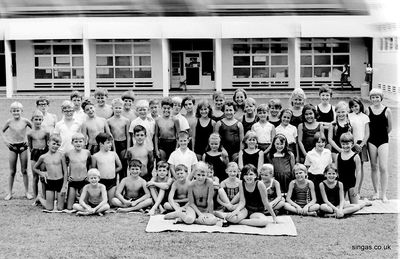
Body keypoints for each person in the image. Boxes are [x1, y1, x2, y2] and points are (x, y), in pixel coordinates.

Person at [2, 102, 33, 200]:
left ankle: (27, 192)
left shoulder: (25, 121)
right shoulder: (9, 122)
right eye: (14, 110)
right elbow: (2, 131)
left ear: (22, 111)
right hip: (13, 147)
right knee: (12, 171)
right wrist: (6, 141)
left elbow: (34, 129)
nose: (16, 112)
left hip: (23, 146)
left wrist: (29, 141)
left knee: (24, 170)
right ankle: (9, 193)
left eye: (18, 110)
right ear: (11, 111)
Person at [366, 88, 391, 202]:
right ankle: (376, 192)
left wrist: (383, 135)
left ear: (381, 98)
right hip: (371, 140)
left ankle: (384, 194)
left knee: (383, 167)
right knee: (374, 166)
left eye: (377, 97)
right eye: (373, 97)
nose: (375, 99)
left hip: (383, 140)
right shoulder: (368, 110)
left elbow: (390, 127)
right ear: (370, 99)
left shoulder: (387, 110)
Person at [33, 133, 68, 211]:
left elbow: (65, 172)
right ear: (48, 143)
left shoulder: (61, 155)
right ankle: (40, 199)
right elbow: (34, 168)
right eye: (54, 143)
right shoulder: (43, 157)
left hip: (60, 181)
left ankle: (61, 200)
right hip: (49, 182)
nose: (55, 146)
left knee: (60, 208)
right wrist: (41, 173)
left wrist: (64, 186)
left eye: (58, 144)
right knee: (49, 208)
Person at [91, 133, 122, 202]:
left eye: (111, 142)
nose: (110, 144)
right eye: (108, 142)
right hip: (101, 182)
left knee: (112, 203)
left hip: (112, 181)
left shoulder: (113, 154)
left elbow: (120, 166)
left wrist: (113, 171)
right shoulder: (95, 156)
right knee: (101, 202)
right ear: (101, 144)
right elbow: (93, 170)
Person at [348, 97, 370, 194]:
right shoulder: (348, 116)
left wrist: (361, 145)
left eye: (356, 106)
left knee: (359, 167)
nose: (354, 108)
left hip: (361, 144)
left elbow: (367, 133)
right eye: (352, 107)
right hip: (351, 143)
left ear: (360, 105)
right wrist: (353, 144)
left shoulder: (365, 117)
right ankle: (350, 190)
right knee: (350, 167)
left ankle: (358, 191)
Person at [64, 133, 91, 211]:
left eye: (80, 141)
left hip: (84, 180)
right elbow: (65, 166)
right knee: (69, 207)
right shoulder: (68, 153)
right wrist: (68, 177)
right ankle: (74, 199)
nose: (78, 143)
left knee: (85, 204)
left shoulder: (87, 152)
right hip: (73, 181)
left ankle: (79, 199)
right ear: (72, 143)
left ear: (84, 142)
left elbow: (89, 165)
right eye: (76, 141)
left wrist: (88, 176)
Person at [304, 132, 332, 204]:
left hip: (325, 177)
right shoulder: (310, 154)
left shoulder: (328, 152)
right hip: (314, 178)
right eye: (318, 142)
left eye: (323, 142)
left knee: (325, 199)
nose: (321, 144)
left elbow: (329, 165)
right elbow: (307, 167)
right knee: (316, 198)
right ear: (314, 143)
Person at [27, 110, 49, 200]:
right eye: (36, 119)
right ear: (32, 120)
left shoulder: (46, 132)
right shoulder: (30, 133)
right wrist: (33, 153)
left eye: (40, 119)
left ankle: (44, 196)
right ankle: (36, 198)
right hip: (34, 154)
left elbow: (48, 144)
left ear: (42, 120)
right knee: (35, 176)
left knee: (43, 176)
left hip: (43, 153)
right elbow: (30, 146)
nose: (38, 121)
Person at [336, 132, 363, 204]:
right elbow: (336, 171)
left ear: (352, 143)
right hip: (341, 183)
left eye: (347, 144)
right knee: (339, 204)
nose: (345, 146)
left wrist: (356, 187)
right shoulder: (338, 156)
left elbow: (358, 172)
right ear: (340, 144)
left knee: (355, 205)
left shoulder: (356, 156)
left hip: (352, 183)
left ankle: (365, 203)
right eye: (343, 144)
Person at [108, 98, 130, 180]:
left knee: (123, 167)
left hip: (123, 144)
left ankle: (122, 188)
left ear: (122, 108)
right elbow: (109, 136)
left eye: (120, 108)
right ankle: (113, 186)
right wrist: (113, 149)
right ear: (112, 108)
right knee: (113, 166)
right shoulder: (109, 121)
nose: (118, 110)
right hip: (113, 144)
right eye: (116, 108)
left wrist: (128, 149)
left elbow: (128, 135)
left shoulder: (126, 120)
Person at [154, 97, 180, 161]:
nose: (166, 110)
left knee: (171, 164)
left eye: (168, 108)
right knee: (162, 164)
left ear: (171, 108)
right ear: (161, 108)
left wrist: (177, 148)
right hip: (162, 143)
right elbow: (156, 136)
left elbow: (179, 135)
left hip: (172, 143)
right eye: (164, 108)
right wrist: (156, 150)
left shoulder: (175, 120)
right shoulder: (157, 120)